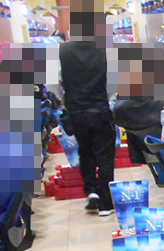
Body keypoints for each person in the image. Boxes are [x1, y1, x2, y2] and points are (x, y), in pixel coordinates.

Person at [57, 6, 115, 216]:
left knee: (85, 151)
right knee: (105, 156)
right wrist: (106, 98)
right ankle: (106, 203)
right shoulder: (106, 50)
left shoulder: (62, 50)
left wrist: (65, 99)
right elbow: (114, 82)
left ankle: (91, 190)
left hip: (76, 110)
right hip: (100, 110)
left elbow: (55, 82)